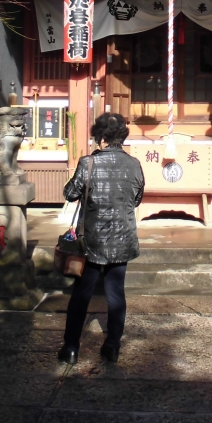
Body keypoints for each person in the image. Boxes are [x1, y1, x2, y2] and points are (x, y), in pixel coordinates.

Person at [58, 112, 144, 364]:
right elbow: (137, 199)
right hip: (123, 238)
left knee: (81, 294)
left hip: (91, 241)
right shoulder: (134, 164)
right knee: (116, 294)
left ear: (101, 137)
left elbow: (70, 193)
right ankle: (112, 346)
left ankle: (71, 348)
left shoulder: (88, 163)